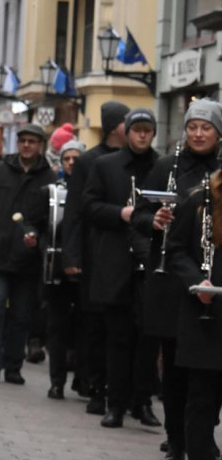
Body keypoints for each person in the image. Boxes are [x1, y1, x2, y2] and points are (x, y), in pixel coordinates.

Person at [133, 99, 222, 459]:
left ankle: (200, 431)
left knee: (209, 369)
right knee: (174, 367)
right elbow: (139, 215)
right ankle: (177, 436)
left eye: (206, 128)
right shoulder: (165, 166)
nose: (198, 134)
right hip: (171, 280)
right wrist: (153, 222)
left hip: (211, 283)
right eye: (192, 127)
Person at [83, 108, 161, 429]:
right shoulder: (106, 165)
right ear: (126, 132)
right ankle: (114, 404)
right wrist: (120, 213)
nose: (142, 135)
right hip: (115, 262)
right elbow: (88, 206)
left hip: (152, 264)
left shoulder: (163, 165)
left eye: (147, 130)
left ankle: (141, 402)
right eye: (137, 129)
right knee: (117, 338)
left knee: (147, 338)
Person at [61, 100, 130, 415]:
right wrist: (71, 255)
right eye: (126, 121)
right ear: (115, 125)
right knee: (94, 324)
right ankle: (91, 383)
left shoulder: (136, 160)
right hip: (92, 253)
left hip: (125, 255)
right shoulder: (89, 161)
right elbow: (74, 210)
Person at [0, 124, 56, 386]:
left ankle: (13, 366)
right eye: (23, 141)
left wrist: (39, 240)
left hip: (27, 259)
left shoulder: (48, 179)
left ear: (40, 145)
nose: (27, 145)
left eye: (32, 141)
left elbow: (52, 221)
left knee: (22, 314)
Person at [165, 166, 222, 460]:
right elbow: (175, 250)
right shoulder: (200, 200)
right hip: (206, 311)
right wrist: (195, 281)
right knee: (200, 398)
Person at [44, 138, 85, 401]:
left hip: (84, 270)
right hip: (57, 270)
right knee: (57, 329)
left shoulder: (91, 189)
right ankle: (56, 381)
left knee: (84, 327)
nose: (71, 163)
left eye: (76, 158)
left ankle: (82, 379)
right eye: (67, 158)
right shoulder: (52, 191)